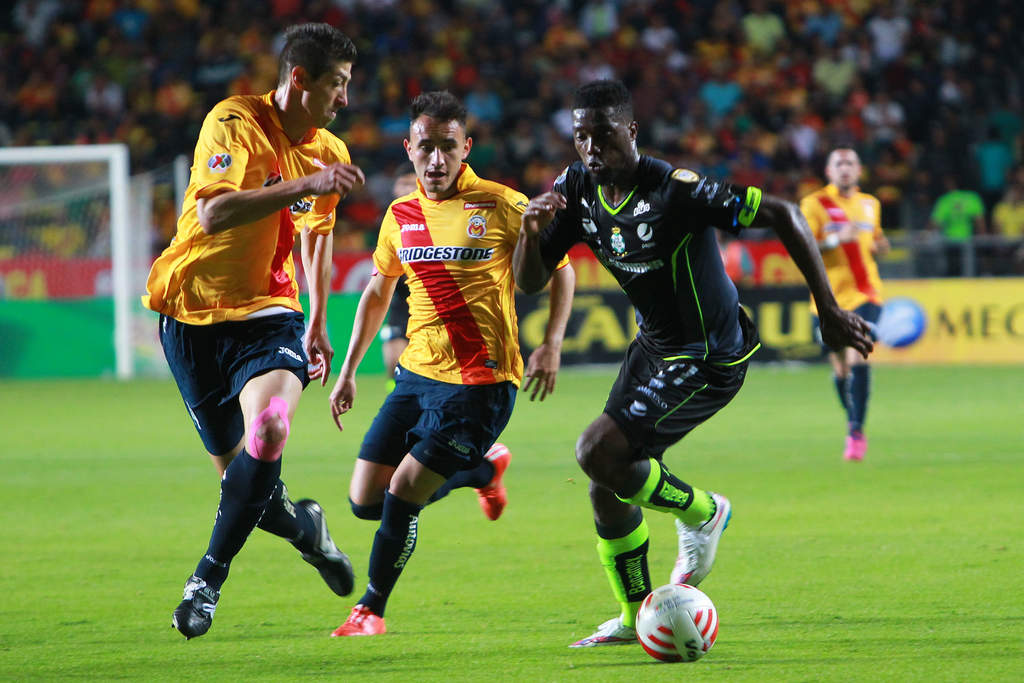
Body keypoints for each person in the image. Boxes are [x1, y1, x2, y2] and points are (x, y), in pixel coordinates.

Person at [513, 80, 872, 648]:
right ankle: (634, 617)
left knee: (596, 451)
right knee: (606, 482)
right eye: (581, 136)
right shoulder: (576, 188)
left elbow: (783, 213)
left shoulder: (675, 189)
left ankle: (703, 512)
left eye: (603, 134)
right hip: (653, 347)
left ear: (631, 131)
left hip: (709, 354)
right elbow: (530, 281)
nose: (591, 147)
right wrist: (529, 234)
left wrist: (827, 309)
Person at [141, 23, 365, 640]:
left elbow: (317, 234)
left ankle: (206, 581)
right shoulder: (234, 121)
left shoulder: (330, 151)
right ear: (300, 79)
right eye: (337, 84)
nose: (345, 99)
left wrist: (318, 319)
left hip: (268, 314)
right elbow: (213, 212)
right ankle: (307, 530)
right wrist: (306, 184)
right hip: (190, 315)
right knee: (246, 488)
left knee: (270, 430)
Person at [326, 91, 574, 637]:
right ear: (408, 148)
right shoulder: (399, 215)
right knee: (364, 501)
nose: (436, 160)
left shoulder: (503, 204)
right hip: (415, 377)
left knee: (401, 495)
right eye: (426, 147)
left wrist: (552, 344)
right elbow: (377, 293)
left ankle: (370, 609)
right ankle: (482, 470)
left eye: (448, 147)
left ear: (466, 148)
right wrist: (347, 372)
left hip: (480, 384)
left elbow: (562, 270)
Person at [799, 148, 889, 461]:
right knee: (840, 366)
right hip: (828, 299)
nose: (845, 168)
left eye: (850, 163)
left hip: (866, 294)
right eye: (839, 163)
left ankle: (856, 432)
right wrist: (836, 239)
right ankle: (853, 420)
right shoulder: (815, 204)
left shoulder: (870, 204)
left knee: (857, 356)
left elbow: (874, 239)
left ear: (859, 170)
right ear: (829, 171)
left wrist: (880, 245)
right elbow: (804, 246)